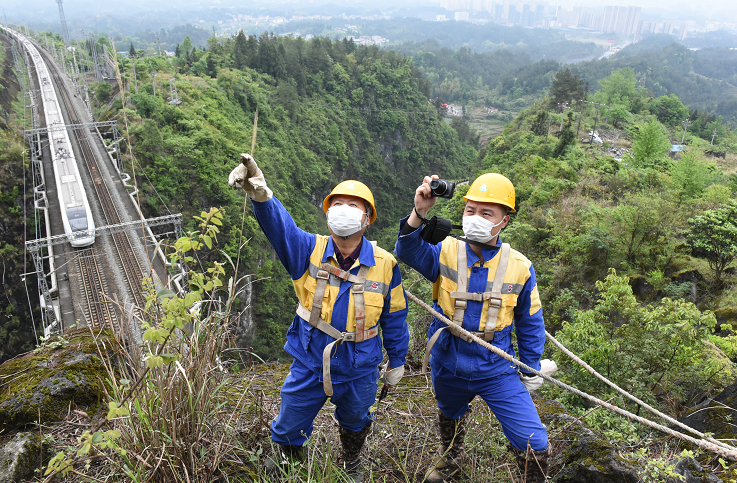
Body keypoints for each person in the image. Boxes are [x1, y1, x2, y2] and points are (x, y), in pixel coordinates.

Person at [228, 154, 410, 482]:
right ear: (328, 216)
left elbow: (395, 316)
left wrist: (397, 360)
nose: (344, 210)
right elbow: (281, 229)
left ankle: (351, 459)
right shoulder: (308, 249)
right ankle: (288, 458)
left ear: (367, 219)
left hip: (360, 365)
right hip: (310, 360)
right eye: (337, 204)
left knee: (356, 419)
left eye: (353, 206)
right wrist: (260, 194)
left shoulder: (385, 264)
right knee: (290, 418)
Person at [394, 173, 550, 483]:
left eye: (486, 213)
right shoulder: (446, 250)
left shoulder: (520, 267)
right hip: (448, 360)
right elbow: (407, 251)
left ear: (504, 221)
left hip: (496, 367)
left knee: (533, 441)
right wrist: (420, 212)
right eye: (470, 210)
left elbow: (530, 321)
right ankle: (451, 457)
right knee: (449, 411)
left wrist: (530, 368)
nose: (475, 217)